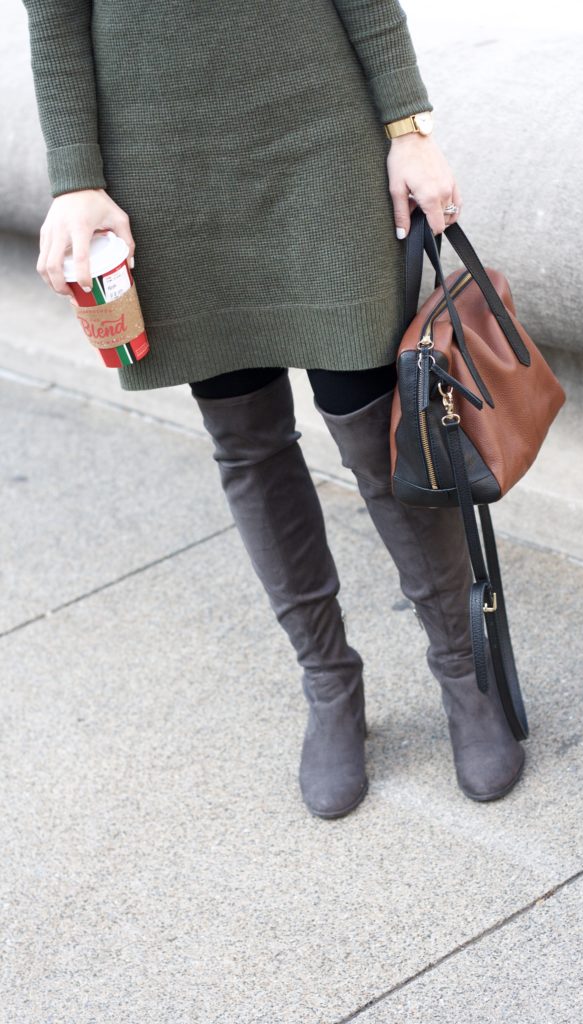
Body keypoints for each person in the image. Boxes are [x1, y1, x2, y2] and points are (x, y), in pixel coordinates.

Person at [21, 0, 525, 819]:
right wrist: (76, 180)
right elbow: (55, 22)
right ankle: (329, 685)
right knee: (246, 438)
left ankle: (462, 674)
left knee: (374, 425)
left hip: (317, 140)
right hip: (160, 169)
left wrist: (408, 126)